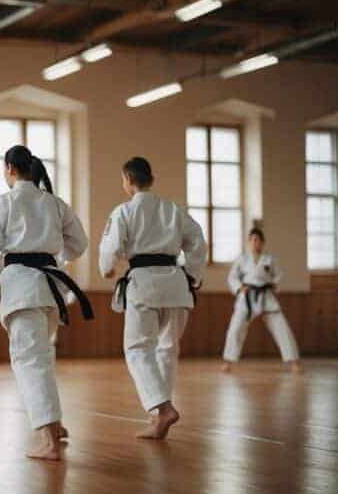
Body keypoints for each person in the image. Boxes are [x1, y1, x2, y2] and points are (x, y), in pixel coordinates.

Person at [0, 145, 92, 461]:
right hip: (51, 288)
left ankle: (48, 437)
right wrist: (53, 257)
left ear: (9, 168)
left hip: (22, 288)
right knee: (41, 356)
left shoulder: (1, 204)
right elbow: (79, 243)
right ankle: (57, 425)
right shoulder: (54, 203)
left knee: (29, 360)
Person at [99, 157, 207, 440]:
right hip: (176, 283)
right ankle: (159, 416)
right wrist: (193, 274)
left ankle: (163, 408)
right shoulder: (173, 209)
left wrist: (107, 268)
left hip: (144, 284)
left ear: (127, 180)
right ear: (151, 179)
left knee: (137, 348)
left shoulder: (124, 212)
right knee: (167, 349)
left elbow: (111, 248)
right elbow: (197, 240)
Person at [221, 229, 302, 374]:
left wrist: (275, 283)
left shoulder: (270, 259)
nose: (254, 243)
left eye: (257, 240)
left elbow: (279, 275)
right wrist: (240, 288)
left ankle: (294, 362)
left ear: (263, 243)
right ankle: (228, 361)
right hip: (247, 298)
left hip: (266, 296)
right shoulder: (242, 259)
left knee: (282, 328)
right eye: (252, 240)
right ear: (248, 242)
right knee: (235, 328)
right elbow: (232, 277)